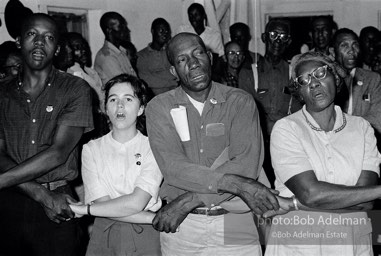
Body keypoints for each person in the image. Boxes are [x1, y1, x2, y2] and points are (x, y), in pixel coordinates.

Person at [146, 32, 280, 255]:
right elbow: (173, 168)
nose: (193, 64)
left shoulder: (240, 101)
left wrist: (191, 199)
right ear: (173, 71)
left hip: (233, 219)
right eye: (182, 60)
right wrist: (237, 185)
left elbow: (246, 165)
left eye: (198, 53)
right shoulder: (159, 107)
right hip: (183, 228)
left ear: (210, 57)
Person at [264, 51, 381, 256]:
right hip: (300, 244)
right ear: (299, 92)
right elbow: (312, 194)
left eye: (320, 73)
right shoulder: (287, 129)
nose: (313, 83)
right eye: (304, 80)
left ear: (335, 78)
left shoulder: (362, 128)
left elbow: (365, 202)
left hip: (350, 243)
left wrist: (292, 204)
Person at [0, 13, 93, 256]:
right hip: (9, 204)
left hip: (59, 205)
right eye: (32, 34)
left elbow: (58, 153)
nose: (40, 42)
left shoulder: (75, 89)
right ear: (19, 41)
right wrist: (40, 193)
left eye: (49, 37)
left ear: (58, 48)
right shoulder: (1, 93)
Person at [70, 74, 162, 255]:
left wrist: (86, 209)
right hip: (105, 234)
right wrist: (152, 218)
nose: (120, 106)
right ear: (105, 108)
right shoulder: (91, 149)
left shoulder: (153, 147)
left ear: (141, 108)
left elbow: (137, 202)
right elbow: (103, 203)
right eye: (113, 99)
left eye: (128, 99)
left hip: (146, 237)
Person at [239, 18, 302, 186]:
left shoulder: (294, 74)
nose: (277, 41)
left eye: (282, 36)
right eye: (273, 35)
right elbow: (247, 114)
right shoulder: (248, 73)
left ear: (288, 41)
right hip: (258, 143)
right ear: (264, 37)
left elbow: (298, 112)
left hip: (288, 142)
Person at [332, 28, 381, 136]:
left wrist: (345, 131)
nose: (351, 50)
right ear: (332, 51)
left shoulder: (373, 79)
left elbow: (377, 119)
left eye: (355, 45)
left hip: (364, 143)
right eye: (344, 45)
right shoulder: (326, 80)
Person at [137, 18, 177, 95]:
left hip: (176, 93)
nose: (164, 33)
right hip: (154, 97)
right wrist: (173, 82)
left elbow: (177, 73)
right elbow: (146, 80)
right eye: (161, 31)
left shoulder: (172, 52)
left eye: (166, 31)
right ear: (152, 31)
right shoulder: (141, 56)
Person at [94, 11, 136, 86]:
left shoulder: (121, 51)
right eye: (121, 27)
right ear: (109, 31)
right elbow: (124, 85)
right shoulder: (107, 57)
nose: (127, 30)